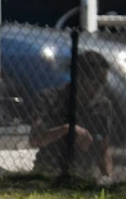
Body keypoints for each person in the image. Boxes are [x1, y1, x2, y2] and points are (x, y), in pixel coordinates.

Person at [30, 49, 114, 180]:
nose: (98, 87)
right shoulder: (50, 99)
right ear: (79, 77)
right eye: (94, 81)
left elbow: (104, 149)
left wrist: (107, 176)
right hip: (49, 173)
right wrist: (66, 129)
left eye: (102, 83)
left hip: (84, 176)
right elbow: (35, 140)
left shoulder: (102, 106)